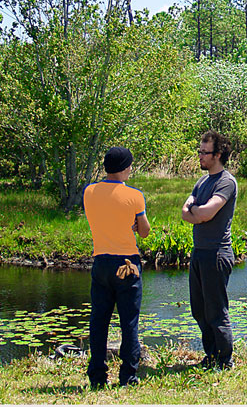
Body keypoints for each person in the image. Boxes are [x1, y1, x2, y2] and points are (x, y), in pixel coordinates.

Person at [84, 146, 151, 389]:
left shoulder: (88, 192)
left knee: (99, 321)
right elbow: (144, 232)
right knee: (129, 322)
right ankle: (128, 375)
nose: (131, 169)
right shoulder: (135, 196)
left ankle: (98, 376)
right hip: (127, 264)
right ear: (124, 168)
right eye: (130, 165)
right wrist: (135, 222)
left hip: (101, 261)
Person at [181, 129, 237, 370]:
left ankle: (225, 360)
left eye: (205, 152)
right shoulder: (202, 181)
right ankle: (211, 355)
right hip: (199, 252)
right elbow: (186, 213)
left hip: (217, 253)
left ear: (218, 155)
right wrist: (196, 213)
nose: (200, 156)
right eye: (200, 151)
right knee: (199, 310)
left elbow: (204, 213)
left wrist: (196, 211)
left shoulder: (226, 182)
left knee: (216, 311)